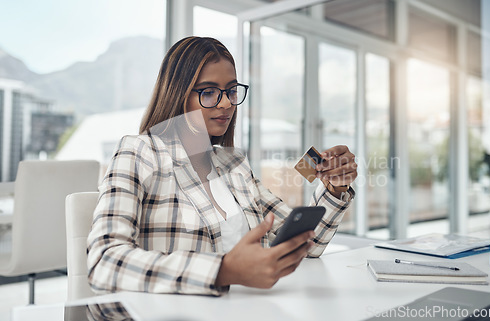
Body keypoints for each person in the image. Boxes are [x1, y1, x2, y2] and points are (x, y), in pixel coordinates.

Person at [87, 36, 358, 296]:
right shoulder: (139, 152)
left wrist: (335, 189)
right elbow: (104, 262)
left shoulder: (234, 165)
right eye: (209, 92)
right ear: (177, 94)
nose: (227, 103)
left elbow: (305, 244)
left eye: (230, 91)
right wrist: (222, 271)